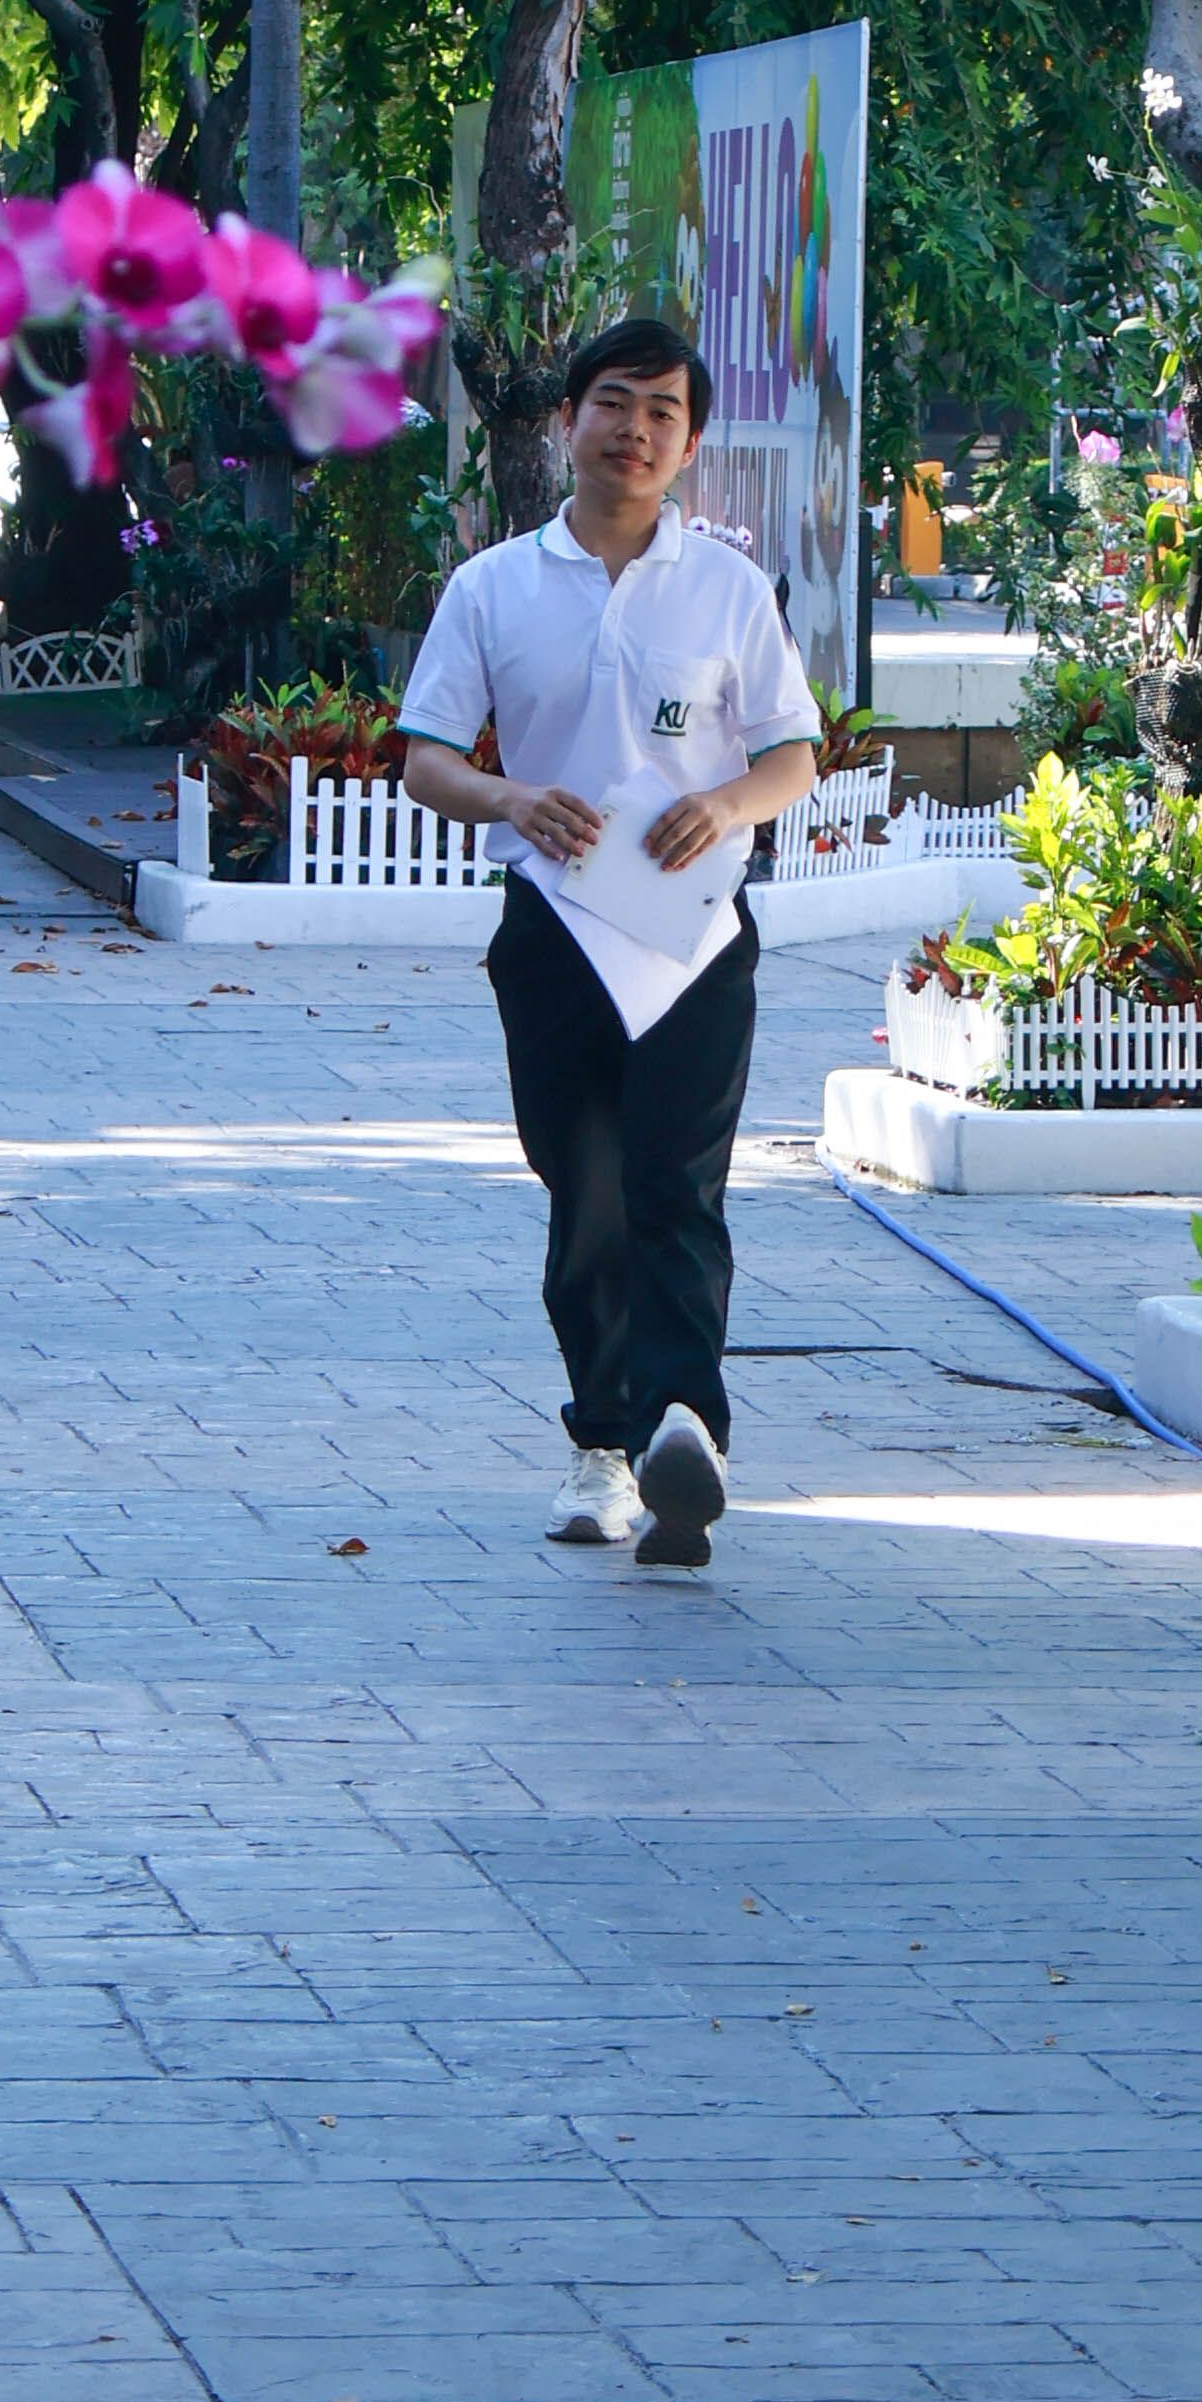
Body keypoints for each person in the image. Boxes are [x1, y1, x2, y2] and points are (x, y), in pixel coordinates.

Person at [398, 314, 822, 1565]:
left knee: (676, 1188)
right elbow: (426, 760)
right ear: (567, 419)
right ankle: (602, 1443)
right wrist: (512, 798)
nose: (635, 431)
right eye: (615, 404)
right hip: (554, 931)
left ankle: (685, 1430)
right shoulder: (492, 588)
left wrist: (726, 806)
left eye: (663, 413)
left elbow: (792, 757)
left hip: (693, 937)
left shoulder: (727, 589)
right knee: (582, 1190)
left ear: (689, 446)